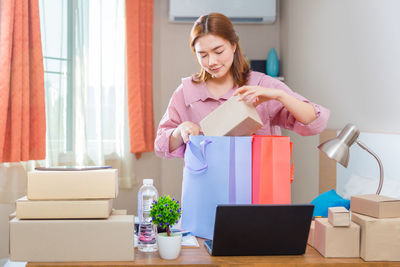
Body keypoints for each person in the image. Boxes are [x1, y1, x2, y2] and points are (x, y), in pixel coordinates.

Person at [154, 13, 329, 159]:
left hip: (258, 190)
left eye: (218, 51)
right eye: (203, 55)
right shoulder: (186, 92)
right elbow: (160, 146)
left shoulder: (261, 85)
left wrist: (279, 95)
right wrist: (180, 131)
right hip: (207, 187)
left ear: (233, 45)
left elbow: (314, 121)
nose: (212, 61)